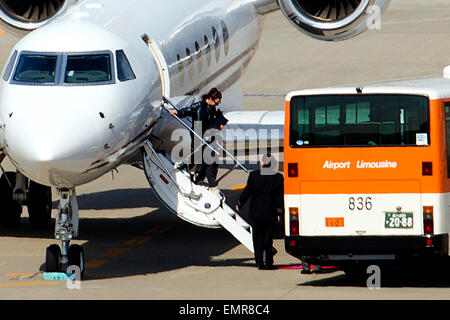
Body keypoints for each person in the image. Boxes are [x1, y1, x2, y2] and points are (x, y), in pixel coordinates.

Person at [169, 88, 227, 191]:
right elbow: (187, 110)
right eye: (215, 102)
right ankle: (205, 180)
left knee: (208, 158)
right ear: (210, 98)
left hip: (208, 135)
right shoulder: (199, 106)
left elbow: (213, 119)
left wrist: (220, 124)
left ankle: (200, 178)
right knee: (202, 157)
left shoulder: (212, 108)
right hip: (198, 135)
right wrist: (177, 112)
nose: (215, 105)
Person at [236, 154, 284, 270]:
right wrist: (279, 212)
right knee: (268, 239)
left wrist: (240, 203)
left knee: (257, 239)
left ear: (261, 164)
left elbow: (247, 191)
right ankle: (268, 262)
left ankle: (259, 262)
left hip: (256, 212)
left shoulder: (254, 175)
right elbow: (279, 197)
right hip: (270, 212)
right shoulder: (278, 177)